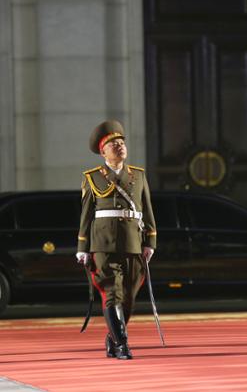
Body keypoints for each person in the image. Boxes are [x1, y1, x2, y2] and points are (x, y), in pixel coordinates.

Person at [76, 120, 157, 360]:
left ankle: (113, 336)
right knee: (112, 293)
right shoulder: (92, 178)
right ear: (103, 151)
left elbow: (148, 211)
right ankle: (122, 344)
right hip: (103, 244)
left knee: (129, 296)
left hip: (133, 242)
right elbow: (86, 215)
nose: (120, 147)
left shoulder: (139, 176)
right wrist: (83, 247)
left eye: (122, 143)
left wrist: (150, 241)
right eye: (114, 144)